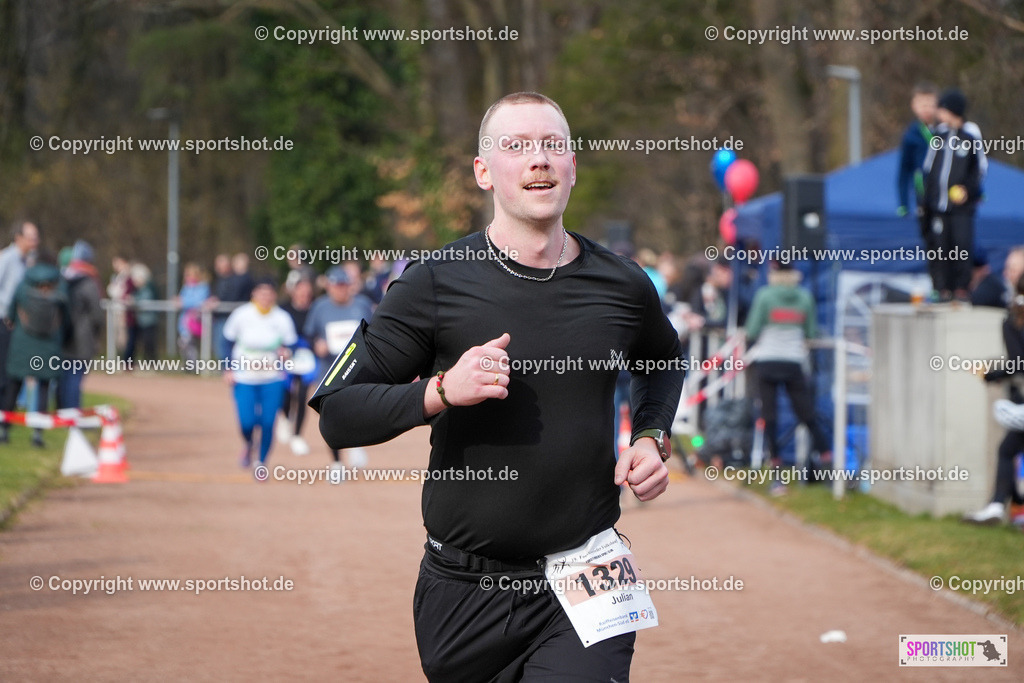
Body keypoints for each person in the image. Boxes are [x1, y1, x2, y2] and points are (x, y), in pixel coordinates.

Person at [309, 92, 683, 681]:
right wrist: (439, 392)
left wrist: (652, 436)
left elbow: (663, 360)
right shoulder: (432, 283)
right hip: (463, 590)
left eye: (552, 145)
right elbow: (338, 413)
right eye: (516, 146)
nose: (539, 159)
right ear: (484, 172)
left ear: (572, 165)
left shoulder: (623, 284)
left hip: (589, 572)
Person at [745, 261, 831, 494]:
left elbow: (752, 330)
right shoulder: (804, 297)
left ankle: (777, 477)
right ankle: (829, 468)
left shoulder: (764, 295)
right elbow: (811, 332)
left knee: (769, 418)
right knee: (808, 416)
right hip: (793, 362)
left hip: (767, 361)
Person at [963, 274, 1024, 524]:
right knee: (1008, 449)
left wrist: (989, 374)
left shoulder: (1013, 320)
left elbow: (1018, 363)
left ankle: (1001, 505)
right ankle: (1011, 507)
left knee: (1006, 450)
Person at [304, 265, 374, 470]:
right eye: (336, 285)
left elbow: (374, 331)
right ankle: (336, 463)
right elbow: (309, 335)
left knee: (359, 408)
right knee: (330, 415)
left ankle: (355, 444)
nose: (340, 289)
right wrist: (316, 343)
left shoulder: (362, 304)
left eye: (344, 285)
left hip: (358, 368)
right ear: (329, 287)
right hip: (329, 370)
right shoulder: (319, 307)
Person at [223, 277, 297, 468]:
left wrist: (286, 354)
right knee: (247, 422)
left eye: (269, 293)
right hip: (244, 377)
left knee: (267, 422)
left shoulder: (282, 318)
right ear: (253, 294)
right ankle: (248, 444)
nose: (265, 297)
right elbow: (227, 341)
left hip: (272, 378)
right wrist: (227, 368)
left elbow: (291, 346)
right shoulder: (241, 315)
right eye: (261, 292)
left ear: (274, 295)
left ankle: (261, 462)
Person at [922, 88, 987, 303]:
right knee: (940, 248)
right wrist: (928, 201)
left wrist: (967, 191)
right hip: (938, 207)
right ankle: (942, 289)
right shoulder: (938, 137)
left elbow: (977, 170)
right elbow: (929, 170)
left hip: (961, 209)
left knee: (961, 245)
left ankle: (961, 288)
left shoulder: (969, 136)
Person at [0, 251, 67, 446]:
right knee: (44, 388)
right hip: (49, 345)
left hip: (22, 343)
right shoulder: (59, 285)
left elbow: (11, 312)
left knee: (14, 386)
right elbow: (67, 317)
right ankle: (37, 434)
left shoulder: (24, 283)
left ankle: (4, 429)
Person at [896, 83, 939, 293]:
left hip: (945, 195)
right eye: (922, 105)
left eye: (930, 104)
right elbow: (903, 171)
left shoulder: (945, 130)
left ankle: (950, 284)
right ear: (914, 106)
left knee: (949, 241)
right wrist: (903, 203)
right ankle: (936, 284)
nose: (926, 109)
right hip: (925, 197)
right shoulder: (911, 135)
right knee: (930, 242)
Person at [58, 240, 103, 409]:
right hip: (82, 338)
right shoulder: (89, 281)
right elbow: (97, 314)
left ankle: (63, 412)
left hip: (63, 336)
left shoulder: (62, 278)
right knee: (75, 378)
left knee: (64, 377)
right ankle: (73, 415)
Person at [0, 221, 40, 404]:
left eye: (36, 238)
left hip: (20, 325)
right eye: (31, 237)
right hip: (4, 323)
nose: (35, 241)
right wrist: (7, 313)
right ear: (18, 238)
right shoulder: (7, 258)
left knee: (14, 373)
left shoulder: (30, 262)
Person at [278, 277, 315, 456]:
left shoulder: (314, 309)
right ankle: (285, 417)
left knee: (302, 395)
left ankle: (298, 435)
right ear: (293, 291)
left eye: (307, 291)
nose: (304, 295)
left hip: (307, 356)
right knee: (286, 393)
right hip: (287, 354)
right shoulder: (284, 309)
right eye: (301, 290)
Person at [176, 263, 210, 363]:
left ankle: (194, 366)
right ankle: (190, 365)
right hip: (185, 322)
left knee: (189, 343)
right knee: (185, 344)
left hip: (197, 321)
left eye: (189, 274)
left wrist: (183, 302)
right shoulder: (186, 287)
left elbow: (199, 301)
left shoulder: (203, 287)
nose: (187, 277)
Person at [126, 262, 159, 361]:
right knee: (142, 345)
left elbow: (145, 301)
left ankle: (152, 364)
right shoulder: (138, 290)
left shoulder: (148, 288)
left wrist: (133, 301)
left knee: (149, 344)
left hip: (149, 321)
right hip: (141, 321)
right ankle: (145, 363)